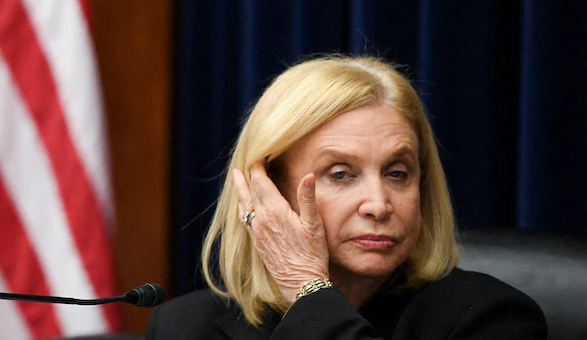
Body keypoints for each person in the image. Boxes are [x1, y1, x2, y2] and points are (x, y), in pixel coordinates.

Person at [147, 55, 547, 339]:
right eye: (340, 174)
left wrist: (307, 288)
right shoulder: (184, 327)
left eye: (397, 173)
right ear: (266, 191)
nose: (379, 204)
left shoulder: (492, 318)